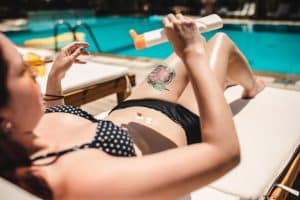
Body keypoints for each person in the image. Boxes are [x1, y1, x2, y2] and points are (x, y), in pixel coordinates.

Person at [0, 14, 264, 199]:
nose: (35, 73)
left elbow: (56, 114)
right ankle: (251, 87)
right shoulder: (72, 180)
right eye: (23, 71)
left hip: (141, 101)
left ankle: (227, 78)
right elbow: (225, 153)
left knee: (196, 45)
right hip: (183, 122)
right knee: (219, 42)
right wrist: (193, 53)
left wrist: (55, 80)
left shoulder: (19, 138)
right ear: (4, 116)